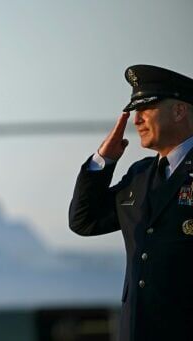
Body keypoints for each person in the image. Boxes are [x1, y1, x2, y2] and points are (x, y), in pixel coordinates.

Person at [69, 64, 193, 340]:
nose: (136, 121)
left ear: (179, 111)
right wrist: (104, 160)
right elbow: (84, 221)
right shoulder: (139, 175)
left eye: (146, 109)